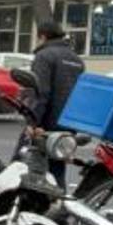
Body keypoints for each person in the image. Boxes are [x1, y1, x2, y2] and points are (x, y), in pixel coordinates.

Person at [25, 21, 84, 185]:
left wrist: (32, 122)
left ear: (42, 37)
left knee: (26, 166)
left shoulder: (44, 56)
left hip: (45, 125)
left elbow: (40, 92)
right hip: (68, 124)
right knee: (57, 170)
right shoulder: (77, 60)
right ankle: (59, 206)